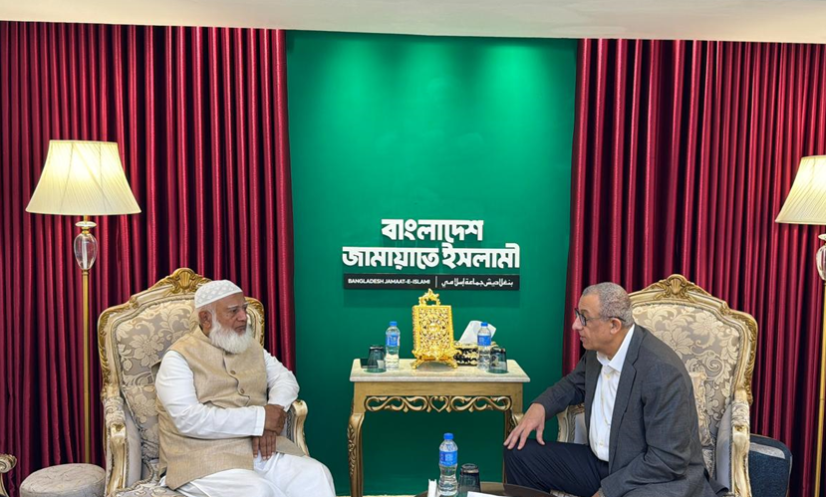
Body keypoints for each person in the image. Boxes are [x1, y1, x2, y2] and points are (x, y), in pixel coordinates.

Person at [504, 282, 725, 497]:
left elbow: (667, 460)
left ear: (614, 325)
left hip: (653, 476)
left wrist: (607, 491)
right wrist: (541, 406)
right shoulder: (597, 351)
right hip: (602, 464)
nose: (575, 325)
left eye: (584, 318)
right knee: (519, 454)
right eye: (577, 314)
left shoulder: (661, 371)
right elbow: (573, 384)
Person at [155, 280, 335, 497]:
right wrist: (259, 419)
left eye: (244, 308)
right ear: (206, 318)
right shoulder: (178, 358)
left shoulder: (248, 345)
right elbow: (188, 419)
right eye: (233, 311)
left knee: (316, 474)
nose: (244, 317)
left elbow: (286, 379)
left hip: (257, 449)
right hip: (200, 458)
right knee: (258, 492)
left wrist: (271, 416)